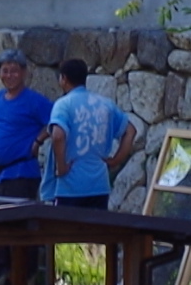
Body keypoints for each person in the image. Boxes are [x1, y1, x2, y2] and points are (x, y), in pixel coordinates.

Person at [40, 56, 131, 204]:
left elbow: (57, 136)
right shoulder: (105, 104)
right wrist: (116, 160)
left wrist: (61, 167)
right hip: (99, 186)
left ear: (63, 79)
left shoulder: (63, 104)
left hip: (70, 187)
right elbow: (130, 131)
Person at [0, 54, 48, 203]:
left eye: (14, 71)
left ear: (24, 72)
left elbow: (58, 122)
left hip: (20, 175)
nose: (9, 75)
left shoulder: (34, 100)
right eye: (5, 71)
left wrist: (38, 140)